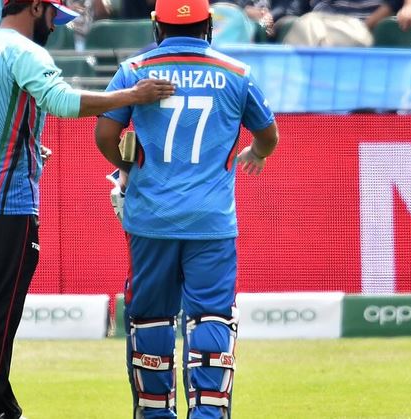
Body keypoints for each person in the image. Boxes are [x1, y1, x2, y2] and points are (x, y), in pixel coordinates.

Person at [0, 0, 175, 417]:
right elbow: (61, 101)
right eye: (54, 15)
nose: (56, 25)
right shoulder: (25, 50)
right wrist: (132, 95)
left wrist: (23, 148)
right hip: (7, 204)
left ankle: (3, 408)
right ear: (35, 7)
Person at [94, 0, 279, 417]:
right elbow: (269, 136)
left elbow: (104, 134)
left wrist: (128, 168)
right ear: (209, 24)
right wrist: (256, 152)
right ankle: (209, 414)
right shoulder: (237, 74)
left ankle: (156, 412)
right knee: (212, 318)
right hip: (211, 223)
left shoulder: (135, 70)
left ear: (156, 24)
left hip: (149, 220)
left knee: (150, 319)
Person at [282, 0, 402, 46]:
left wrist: (363, 28)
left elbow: (393, 4)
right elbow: (295, 12)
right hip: (321, 27)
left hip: (362, 33)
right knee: (306, 25)